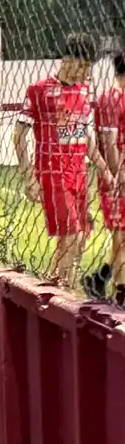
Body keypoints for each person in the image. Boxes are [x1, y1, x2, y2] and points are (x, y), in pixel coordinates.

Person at [14, 35, 113, 287]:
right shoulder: (39, 90)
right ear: (68, 61)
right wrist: (30, 179)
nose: (86, 73)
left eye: (89, 68)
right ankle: (61, 290)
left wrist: (104, 171)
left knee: (78, 238)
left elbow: (85, 136)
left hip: (78, 173)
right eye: (83, 67)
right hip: (53, 173)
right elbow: (18, 136)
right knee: (72, 235)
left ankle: (54, 285)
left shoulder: (82, 91)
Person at [96, 50, 125, 303]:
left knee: (122, 237)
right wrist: (118, 178)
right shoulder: (109, 99)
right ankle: (119, 290)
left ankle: (100, 279)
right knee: (119, 233)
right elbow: (109, 143)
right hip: (115, 181)